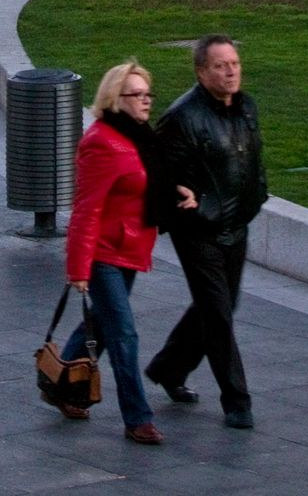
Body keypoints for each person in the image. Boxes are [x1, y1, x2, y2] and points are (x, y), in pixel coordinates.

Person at [58, 61, 198, 445]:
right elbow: (86, 209)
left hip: (130, 247)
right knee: (123, 332)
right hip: (103, 253)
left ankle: (63, 385)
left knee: (102, 325)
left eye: (148, 93)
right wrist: (79, 269)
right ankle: (137, 418)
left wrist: (176, 192)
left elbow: (148, 179)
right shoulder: (101, 142)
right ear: (114, 98)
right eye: (136, 94)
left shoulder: (139, 136)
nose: (146, 101)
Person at [146, 35, 267, 429]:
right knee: (217, 313)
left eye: (234, 63)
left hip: (236, 223)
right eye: (220, 65)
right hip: (197, 230)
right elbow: (157, 170)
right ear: (201, 72)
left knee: (221, 305)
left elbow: (253, 160)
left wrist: (255, 198)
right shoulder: (183, 117)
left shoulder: (246, 106)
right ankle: (237, 400)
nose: (230, 71)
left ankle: (169, 368)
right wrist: (183, 197)